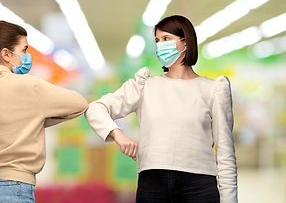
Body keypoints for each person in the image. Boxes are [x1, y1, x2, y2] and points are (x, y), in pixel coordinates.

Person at [85, 15, 237, 203]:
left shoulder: (213, 89)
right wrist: (117, 134)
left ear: (186, 43)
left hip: (199, 185)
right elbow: (95, 108)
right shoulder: (144, 85)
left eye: (167, 39)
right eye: (157, 40)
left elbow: (225, 154)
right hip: (152, 184)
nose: (160, 45)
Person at [0, 20, 89, 203]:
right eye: (24, 50)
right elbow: (79, 103)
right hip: (10, 188)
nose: (27, 55)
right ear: (6, 54)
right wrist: (36, 119)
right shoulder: (28, 86)